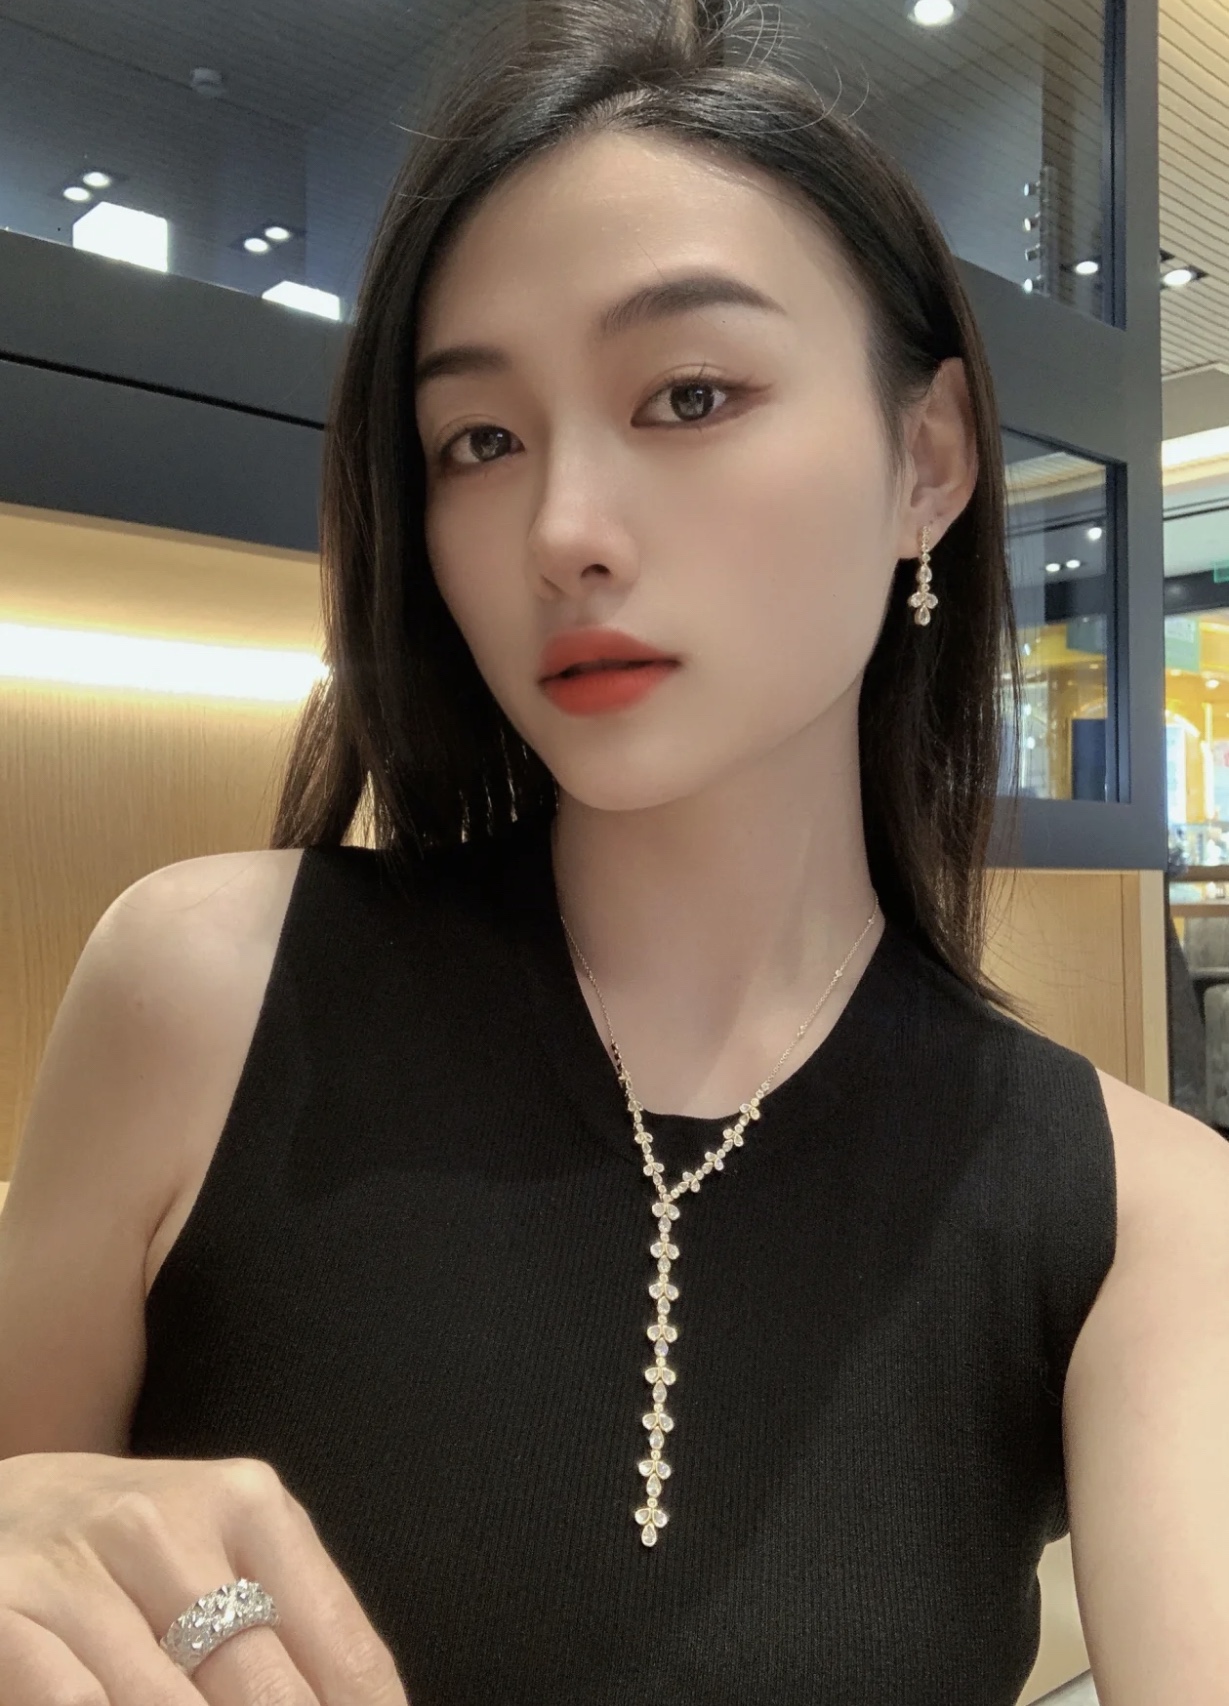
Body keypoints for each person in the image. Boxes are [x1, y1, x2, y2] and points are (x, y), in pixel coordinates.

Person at [1, 2, 1227, 1703]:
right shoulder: (206, 993)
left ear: (927, 460)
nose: (561, 530)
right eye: (479, 441)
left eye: (688, 394)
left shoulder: (1138, 1213)